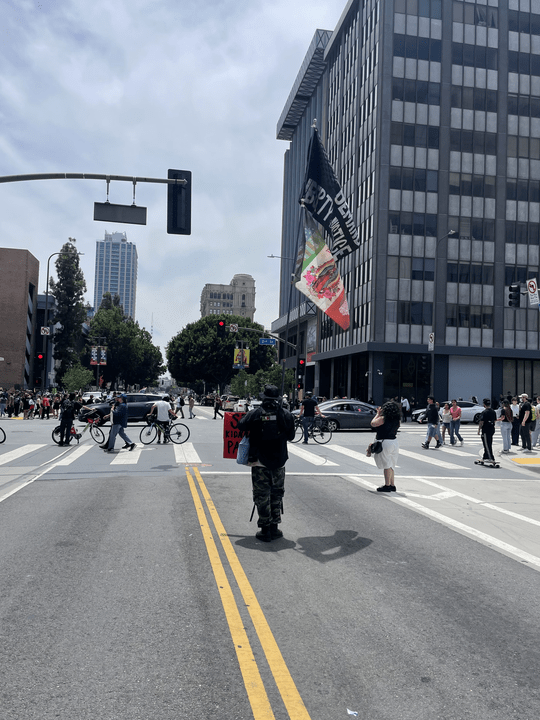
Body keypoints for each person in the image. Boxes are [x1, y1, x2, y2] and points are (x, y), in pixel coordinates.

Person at [238, 385, 295, 542]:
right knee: (276, 494)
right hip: (279, 462)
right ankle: (274, 528)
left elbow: (240, 425)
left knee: (262, 495)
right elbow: (291, 436)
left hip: (259, 462)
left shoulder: (255, 413)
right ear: (278, 399)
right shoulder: (286, 415)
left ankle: (265, 530)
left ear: (263, 397)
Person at [370, 400, 401, 492]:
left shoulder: (383, 418)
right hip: (394, 442)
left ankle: (387, 485)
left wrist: (378, 414)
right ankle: (392, 484)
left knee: (386, 465)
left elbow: (373, 423)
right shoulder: (397, 420)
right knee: (391, 464)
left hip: (385, 442)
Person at [476, 398, 497, 464]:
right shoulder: (493, 411)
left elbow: (481, 422)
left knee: (487, 444)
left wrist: (479, 429)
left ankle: (491, 458)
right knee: (488, 443)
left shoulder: (484, 412)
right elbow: (495, 420)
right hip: (492, 429)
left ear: (484, 405)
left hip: (486, 429)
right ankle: (485, 457)